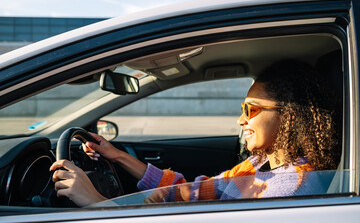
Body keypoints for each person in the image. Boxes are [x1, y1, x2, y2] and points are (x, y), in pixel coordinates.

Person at [50, 60, 341, 207]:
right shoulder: (259, 166)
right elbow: (193, 190)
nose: (241, 120)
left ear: (288, 114)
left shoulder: (291, 188)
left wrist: (97, 203)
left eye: (251, 110)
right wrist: (117, 155)